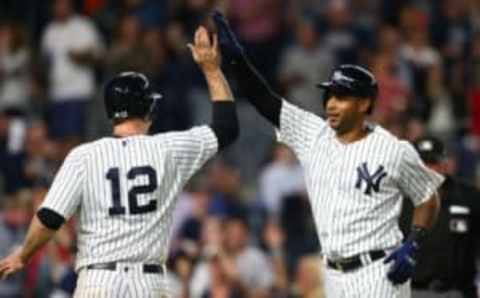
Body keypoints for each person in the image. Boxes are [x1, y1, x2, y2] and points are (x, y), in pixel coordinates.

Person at [213, 11, 444, 297]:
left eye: (343, 97)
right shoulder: (313, 133)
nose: (332, 104)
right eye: (330, 95)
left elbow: (428, 196)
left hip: (379, 272)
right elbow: (264, 100)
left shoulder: (393, 150)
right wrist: (237, 60)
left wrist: (414, 243)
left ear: (364, 104)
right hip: (333, 276)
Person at [0, 26, 239, 298]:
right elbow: (226, 127)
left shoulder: (84, 156)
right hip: (147, 284)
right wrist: (211, 69)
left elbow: (48, 218)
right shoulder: (169, 148)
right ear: (147, 109)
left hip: (98, 281)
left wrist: (23, 255)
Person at [400, 136, 480, 298]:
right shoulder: (397, 199)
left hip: (456, 292)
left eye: (433, 162)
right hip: (409, 291)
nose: (428, 170)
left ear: (445, 164)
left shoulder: (470, 197)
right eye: (422, 164)